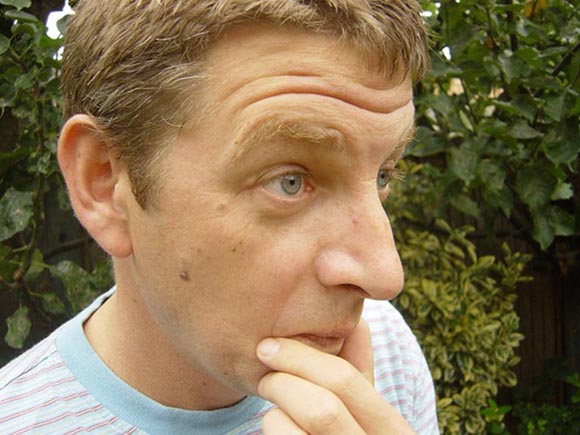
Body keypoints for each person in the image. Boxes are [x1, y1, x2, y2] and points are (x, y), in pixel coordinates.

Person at [0, 1, 439, 433]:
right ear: (105, 183)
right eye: (289, 181)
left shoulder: (383, 353)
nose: (385, 276)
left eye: (383, 173)